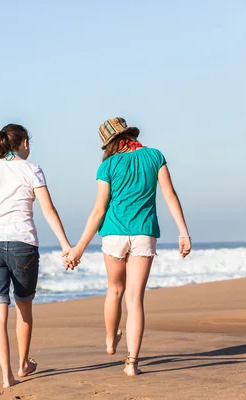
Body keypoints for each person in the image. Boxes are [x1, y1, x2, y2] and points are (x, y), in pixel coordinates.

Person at [65, 117, 191, 376]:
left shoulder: (108, 166)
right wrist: (183, 232)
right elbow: (169, 194)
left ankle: (111, 341)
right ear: (130, 135)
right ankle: (132, 362)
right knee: (135, 299)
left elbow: (99, 210)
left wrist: (78, 249)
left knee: (114, 290)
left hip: (113, 235)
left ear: (110, 143)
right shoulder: (155, 156)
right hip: (144, 234)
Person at [0, 123, 73, 389]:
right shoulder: (31, 169)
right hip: (23, 245)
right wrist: (65, 245)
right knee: (24, 308)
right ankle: (24, 364)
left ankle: (7, 377)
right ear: (24, 143)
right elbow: (49, 210)